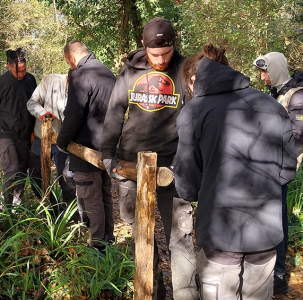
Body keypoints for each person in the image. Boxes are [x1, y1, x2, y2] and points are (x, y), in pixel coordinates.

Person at [175, 44, 296, 300]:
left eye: (189, 85)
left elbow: (186, 185)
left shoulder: (194, 112)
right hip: (265, 233)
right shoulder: (272, 106)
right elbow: (287, 171)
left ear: (194, 79)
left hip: (220, 233)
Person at [100, 17, 197, 299]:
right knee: (139, 233)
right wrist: (108, 154)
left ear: (174, 46)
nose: (160, 60)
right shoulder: (129, 71)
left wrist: (190, 160)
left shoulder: (186, 70)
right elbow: (115, 114)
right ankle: (153, 291)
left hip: (174, 165)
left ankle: (186, 294)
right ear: (144, 46)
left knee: (181, 236)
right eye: (155, 55)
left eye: (166, 54)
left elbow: (194, 119)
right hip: (132, 164)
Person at [56, 41, 116, 251]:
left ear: (71, 58)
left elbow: (73, 114)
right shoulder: (106, 71)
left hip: (86, 149)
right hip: (108, 147)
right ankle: (109, 241)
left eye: (68, 62)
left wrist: (62, 141)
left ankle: (97, 246)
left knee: (91, 198)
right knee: (105, 195)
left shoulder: (80, 75)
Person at [253, 51, 303, 294]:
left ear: (277, 69)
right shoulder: (280, 92)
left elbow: (297, 138)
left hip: (280, 169)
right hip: (268, 166)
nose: (263, 77)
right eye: (261, 72)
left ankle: (279, 274)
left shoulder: (297, 96)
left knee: (278, 220)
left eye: (266, 71)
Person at [0, 48, 37, 207]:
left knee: (21, 171)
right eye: (17, 71)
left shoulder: (30, 80)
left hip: (25, 134)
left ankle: (16, 207)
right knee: (11, 169)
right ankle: (5, 208)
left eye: (23, 70)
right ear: (9, 67)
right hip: (5, 132)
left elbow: (35, 105)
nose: (21, 74)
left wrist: (34, 130)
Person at [27, 73, 78, 218]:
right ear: (67, 78)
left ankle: (71, 214)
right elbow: (32, 103)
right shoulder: (50, 81)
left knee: (67, 178)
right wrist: (43, 113)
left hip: (65, 141)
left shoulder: (81, 88)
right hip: (41, 135)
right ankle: (52, 208)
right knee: (35, 175)